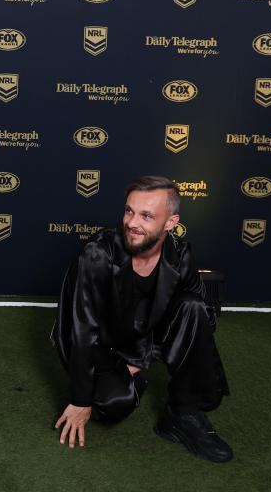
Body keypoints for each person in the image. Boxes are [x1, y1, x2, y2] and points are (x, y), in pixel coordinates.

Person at [51, 176, 232, 461]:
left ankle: (183, 414)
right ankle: (126, 385)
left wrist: (142, 359)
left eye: (147, 216)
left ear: (171, 223)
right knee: (111, 406)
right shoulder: (98, 254)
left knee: (193, 308)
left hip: (145, 339)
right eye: (129, 211)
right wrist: (79, 400)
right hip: (104, 346)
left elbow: (204, 319)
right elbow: (82, 331)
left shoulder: (180, 254)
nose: (132, 223)